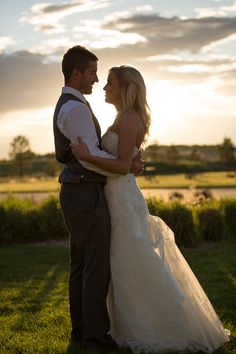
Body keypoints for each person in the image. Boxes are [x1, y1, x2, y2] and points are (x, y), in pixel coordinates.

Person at [70, 65, 230, 353]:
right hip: (115, 196)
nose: (105, 87)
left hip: (121, 199)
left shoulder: (129, 118)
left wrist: (84, 155)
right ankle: (128, 325)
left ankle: (154, 327)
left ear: (125, 88)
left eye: (110, 83)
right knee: (122, 263)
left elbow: (120, 166)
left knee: (130, 259)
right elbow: (125, 157)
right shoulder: (124, 117)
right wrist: (133, 158)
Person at [53, 45, 142, 351]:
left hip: (80, 190)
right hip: (84, 189)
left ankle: (81, 333)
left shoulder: (73, 104)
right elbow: (89, 158)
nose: (95, 79)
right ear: (76, 73)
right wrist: (125, 163)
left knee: (81, 264)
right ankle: (95, 337)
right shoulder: (76, 108)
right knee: (94, 266)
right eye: (91, 73)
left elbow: (92, 153)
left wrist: (130, 158)